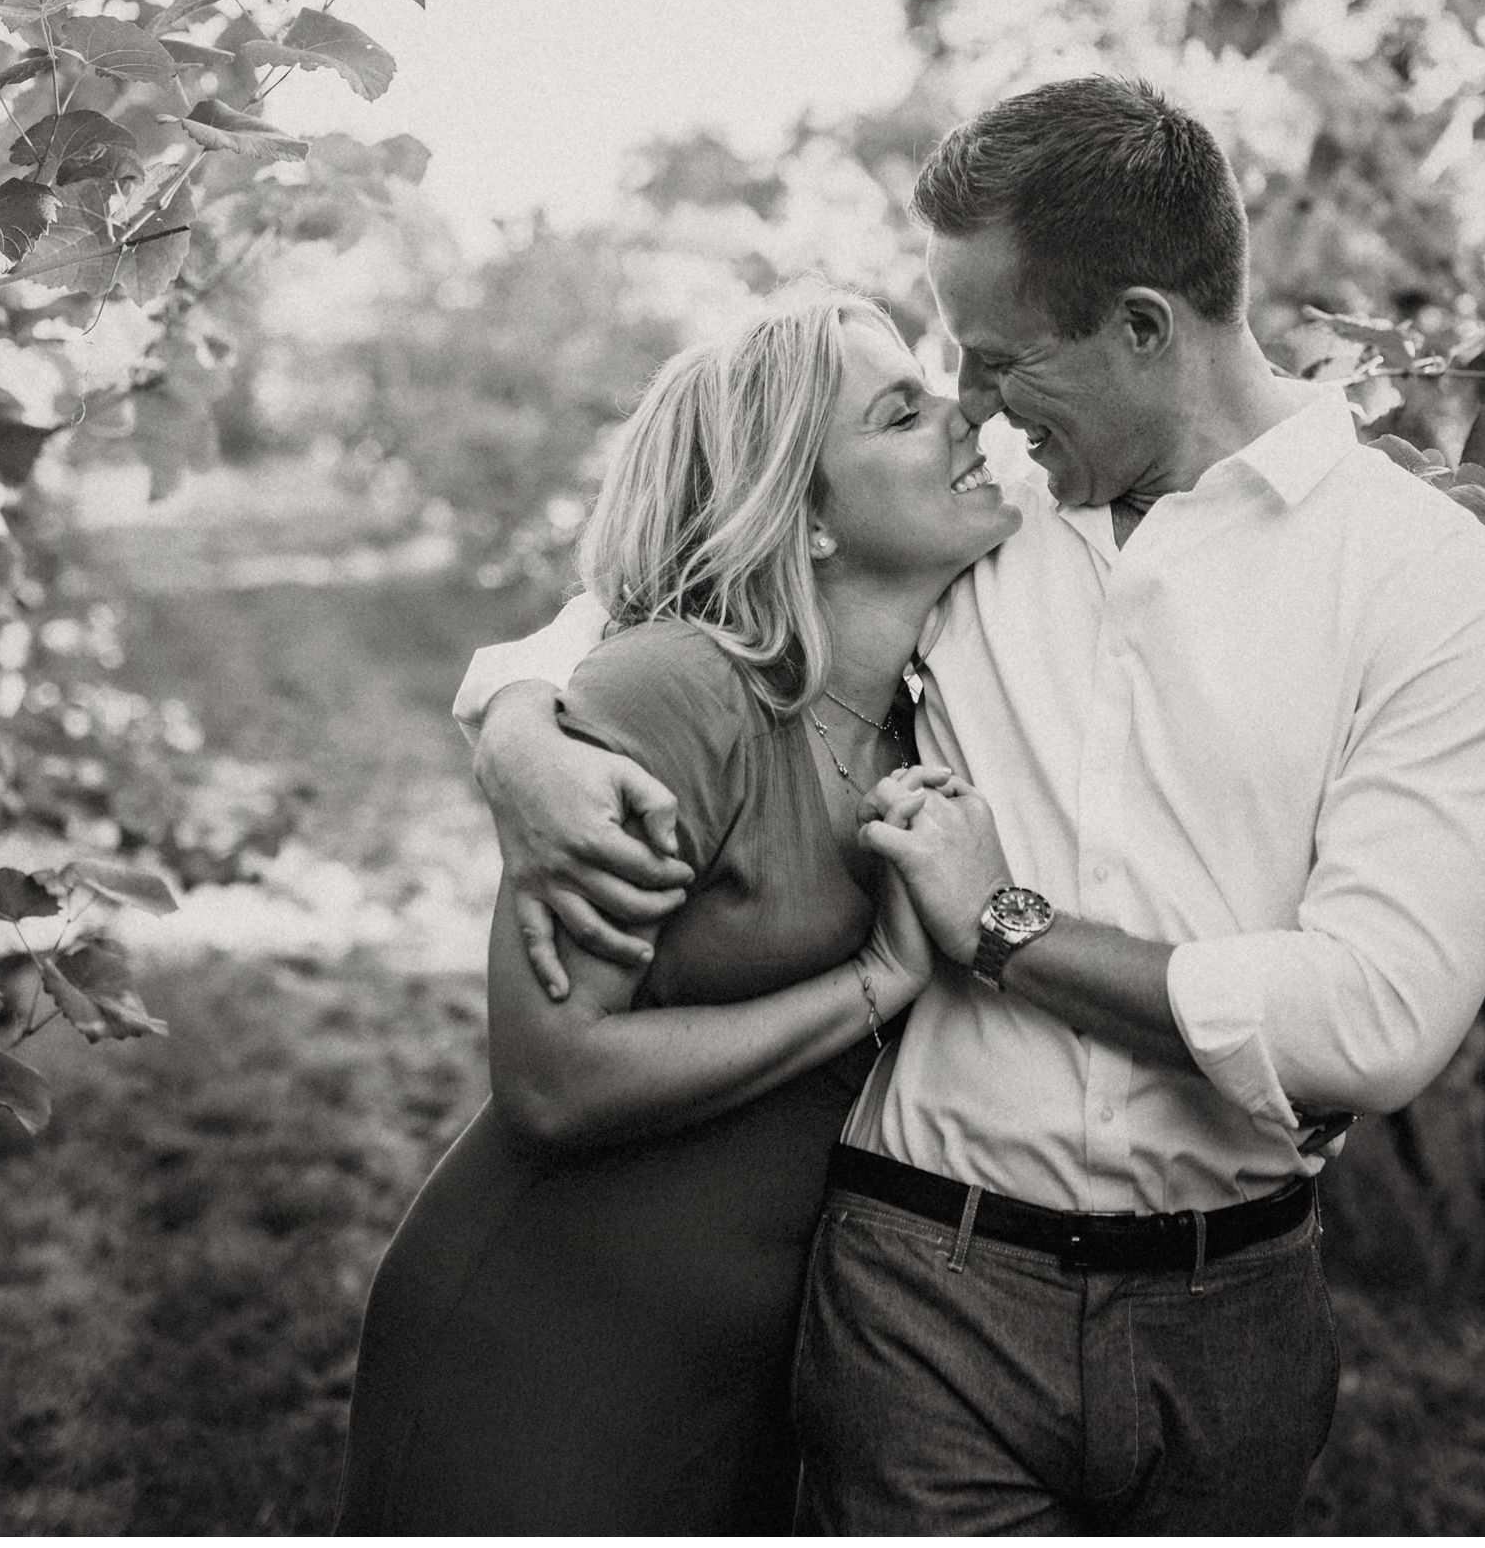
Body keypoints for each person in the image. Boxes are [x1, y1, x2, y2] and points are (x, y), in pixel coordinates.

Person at [456, 75, 1485, 1531]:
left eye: (993, 359)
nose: (968, 405)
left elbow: (1375, 1021)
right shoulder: (981, 517)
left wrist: (1005, 930)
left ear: (1143, 327)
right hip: (925, 1281)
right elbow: (679, 581)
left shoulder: (1425, 580)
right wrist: (517, 723)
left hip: (1236, 1307)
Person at [337, 291, 1024, 1533]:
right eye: (901, 411)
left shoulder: (933, 724)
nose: (964, 416)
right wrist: (874, 978)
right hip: (547, 1340)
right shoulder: (681, 693)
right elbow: (550, 1078)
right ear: (806, 515)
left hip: (756, 1373)